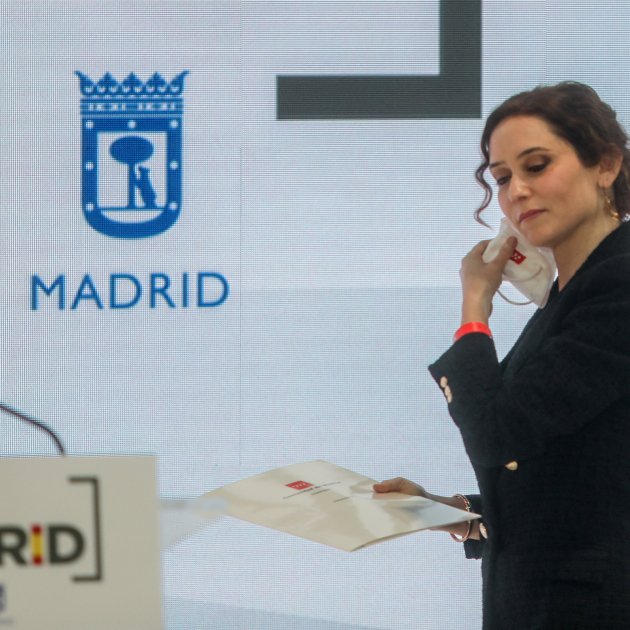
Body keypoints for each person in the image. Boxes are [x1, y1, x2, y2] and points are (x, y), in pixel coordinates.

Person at [374, 82, 630, 629]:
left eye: (537, 166)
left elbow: (499, 434)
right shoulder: (571, 293)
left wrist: (475, 303)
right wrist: (449, 512)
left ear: (606, 165)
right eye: (503, 177)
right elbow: (576, 476)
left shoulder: (619, 283)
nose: (518, 191)